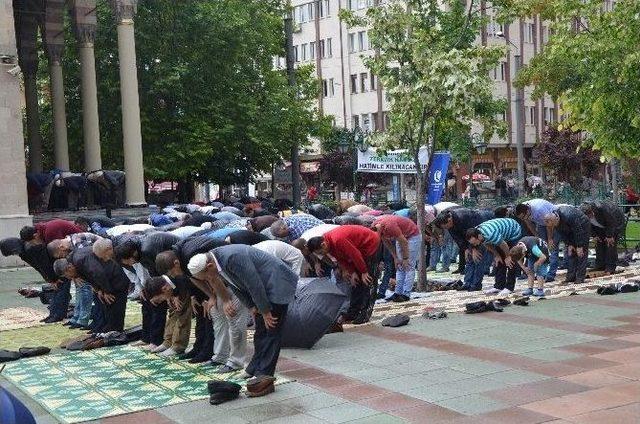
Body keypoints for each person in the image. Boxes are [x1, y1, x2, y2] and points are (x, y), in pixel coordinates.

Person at [188, 244, 298, 396]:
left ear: (210, 265)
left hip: (276, 284)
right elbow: (237, 286)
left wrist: (265, 311)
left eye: (206, 276)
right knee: (261, 331)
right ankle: (253, 368)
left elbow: (254, 283)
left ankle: (264, 376)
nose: (209, 280)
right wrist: (252, 306)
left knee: (271, 330)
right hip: (263, 290)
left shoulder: (232, 258)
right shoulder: (217, 259)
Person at [307, 225, 382, 324]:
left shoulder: (338, 239)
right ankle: (353, 312)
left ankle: (365, 313)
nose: (323, 254)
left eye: (321, 252)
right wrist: (352, 272)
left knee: (368, 282)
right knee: (356, 282)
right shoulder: (328, 242)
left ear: (323, 244)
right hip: (359, 249)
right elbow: (341, 258)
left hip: (371, 244)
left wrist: (364, 271)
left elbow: (355, 254)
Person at [54, 239, 129, 332]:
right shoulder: (74, 261)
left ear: (69, 268)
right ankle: (105, 327)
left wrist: (106, 291)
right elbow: (90, 277)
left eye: (67, 276)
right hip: (108, 279)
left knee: (114, 303)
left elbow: (98, 273)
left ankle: (115, 332)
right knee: (103, 303)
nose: (70, 278)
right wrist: (99, 290)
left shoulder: (79, 260)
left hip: (115, 278)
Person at [142, 254, 193, 357]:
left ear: (164, 289)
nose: (162, 301)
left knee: (182, 312)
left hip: (187, 291)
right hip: (176, 290)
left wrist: (177, 295)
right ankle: (168, 342)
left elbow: (184, 283)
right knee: (173, 312)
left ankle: (178, 346)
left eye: (160, 299)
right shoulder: (165, 280)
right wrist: (172, 296)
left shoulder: (179, 277)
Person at [433, 208, 495, 291]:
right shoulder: (450, 224)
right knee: (469, 258)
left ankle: (476, 284)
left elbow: (473, 233)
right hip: (470, 238)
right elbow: (457, 238)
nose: (447, 228)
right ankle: (468, 282)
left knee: (477, 258)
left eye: (446, 226)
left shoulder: (463, 217)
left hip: (479, 233)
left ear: (449, 220)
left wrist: (474, 248)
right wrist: (466, 249)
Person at [465, 218, 522, 296]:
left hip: (514, 230)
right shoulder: (478, 234)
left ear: (479, 236)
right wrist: (496, 255)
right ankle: (499, 286)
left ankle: (509, 287)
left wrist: (508, 256)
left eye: (475, 243)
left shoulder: (490, 234)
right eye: (473, 244)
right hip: (501, 234)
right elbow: (487, 244)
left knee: (511, 260)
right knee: (499, 260)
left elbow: (503, 244)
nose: (475, 245)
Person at [372, 215, 421, 302]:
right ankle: (398, 293)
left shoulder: (390, 226)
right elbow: (387, 243)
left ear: (382, 229)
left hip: (412, 235)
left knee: (408, 266)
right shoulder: (375, 226)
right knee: (399, 266)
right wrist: (395, 257)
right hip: (401, 237)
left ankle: (406, 294)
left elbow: (404, 242)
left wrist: (405, 258)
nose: (382, 236)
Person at [543, 206, 591, 285]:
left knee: (581, 253)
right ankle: (571, 276)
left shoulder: (568, 216)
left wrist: (580, 246)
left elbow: (578, 230)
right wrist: (569, 244)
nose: (552, 228)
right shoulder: (555, 221)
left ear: (554, 220)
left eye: (552, 225)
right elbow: (563, 234)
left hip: (582, 226)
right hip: (570, 230)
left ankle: (580, 277)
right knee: (571, 253)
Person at [515, 199, 559, 281]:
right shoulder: (523, 210)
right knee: (542, 247)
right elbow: (529, 224)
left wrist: (550, 239)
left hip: (553, 221)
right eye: (521, 218)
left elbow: (549, 224)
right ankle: (542, 273)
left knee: (552, 247)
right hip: (541, 223)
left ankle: (550, 275)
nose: (523, 218)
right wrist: (537, 237)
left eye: (524, 216)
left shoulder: (539, 209)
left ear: (528, 211)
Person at [580, 201, 625, 275]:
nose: (589, 217)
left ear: (592, 211)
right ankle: (600, 265)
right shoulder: (583, 214)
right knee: (599, 242)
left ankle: (610, 267)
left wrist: (609, 236)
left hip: (615, 223)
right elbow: (588, 224)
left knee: (610, 243)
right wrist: (594, 235)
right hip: (601, 226)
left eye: (589, 215)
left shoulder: (602, 209)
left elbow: (611, 222)